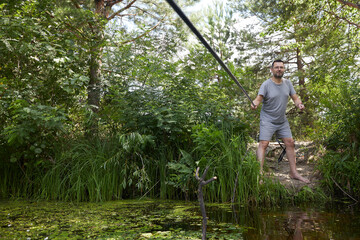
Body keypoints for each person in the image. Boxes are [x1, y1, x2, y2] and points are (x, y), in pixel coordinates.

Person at [251, 59, 310, 183]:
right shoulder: (266, 84)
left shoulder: (287, 83)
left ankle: (293, 173)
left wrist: (299, 104)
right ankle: (259, 174)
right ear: (272, 70)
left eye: (281, 67)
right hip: (267, 119)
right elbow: (258, 99)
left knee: (290, 143)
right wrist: (254, 104)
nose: (279, 69)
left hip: (282, 120)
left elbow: (295, 98)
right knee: (263, 144)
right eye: (276, 67)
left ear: (284, 70)